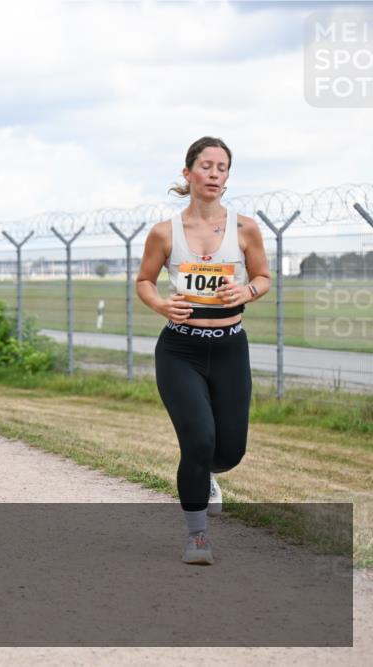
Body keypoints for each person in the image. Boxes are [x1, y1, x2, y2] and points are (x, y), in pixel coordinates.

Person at [136, 136, 270, 566]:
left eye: (222, 168)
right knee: (198, 440)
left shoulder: (245, 228)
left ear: (227, 176)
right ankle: (197, 536)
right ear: (188, 172)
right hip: (181, 349)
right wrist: (160, 303)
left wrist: (247, 289)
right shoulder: (164, 232)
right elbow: (144, 281)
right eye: (206, 166)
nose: (214, 174)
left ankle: (207, 476)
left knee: (228, 451)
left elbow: (264, 277)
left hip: (230, 348)